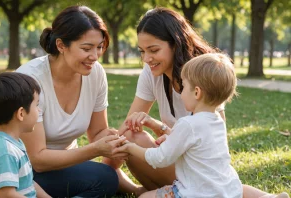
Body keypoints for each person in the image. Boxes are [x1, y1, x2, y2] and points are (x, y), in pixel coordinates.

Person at [118, 7, 289, 198]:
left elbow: (170, 153)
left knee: (205, 185)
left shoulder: (202, 74)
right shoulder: (155, 76)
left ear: (175, 43)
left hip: (196, 171)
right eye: (142, 51)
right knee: (222, 186)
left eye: (154, 50)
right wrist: (159, 128)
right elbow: (130, 128)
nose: (146, 59)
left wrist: (142, 145)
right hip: (205, 172)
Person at [16, 5, 141, 197]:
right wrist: (94, 150)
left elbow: (98, 132)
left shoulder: (95, 73)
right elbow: (37, 159)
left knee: (106, 178)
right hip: (25, 170)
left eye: (99, 47)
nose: (95, 56)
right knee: (105, 178)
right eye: (86, 48)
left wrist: (117, 140)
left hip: (66, 165)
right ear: (61, 45)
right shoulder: (30, 80)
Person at [115, 53, 243, 198]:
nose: (181, 93)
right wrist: (161, 128)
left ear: (196, 92)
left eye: (184, 86)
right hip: (228, 192)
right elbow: (191, 141)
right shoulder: (217, 122)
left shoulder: (188, 124)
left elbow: (160, 158)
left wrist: (130, 147)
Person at [0, 72, 51, 198]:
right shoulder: (6, 152)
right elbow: (8, 195)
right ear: (21, 113)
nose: (39, 110)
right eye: (36, 105)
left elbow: (27, 183)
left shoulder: (10, 141)